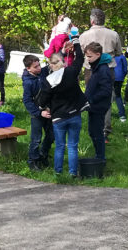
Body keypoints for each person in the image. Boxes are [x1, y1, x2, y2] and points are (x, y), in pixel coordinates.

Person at [39, 36, 87, 177]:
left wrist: (43, 108)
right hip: (74, 114)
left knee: (59, 146)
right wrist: (76, 43)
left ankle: (58, 172)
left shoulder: (49, 80)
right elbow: (79, 60)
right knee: (72, 146)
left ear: (51, 65)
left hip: (58, 117)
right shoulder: (71, 73)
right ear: (62, 62)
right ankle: (72, 173)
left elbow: (43, 100)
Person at [79, 8, 122, 143]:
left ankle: (94, 126)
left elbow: (80, 53)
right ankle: (104, 130)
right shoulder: (113, 34)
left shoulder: (84, 35)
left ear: (92, 20)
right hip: (108, 69)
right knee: (107, 96)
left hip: (90, 70)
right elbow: (119, 52)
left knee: (91, 95)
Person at [21, 54, 53, 171]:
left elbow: (52, 64)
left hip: (48, 111)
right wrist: (39, 113)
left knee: (51, 135)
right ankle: (32, 160)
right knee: (36, 139)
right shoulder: (28, 82)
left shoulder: (42, 73)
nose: (39, 68)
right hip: (37, 114)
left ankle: (43, 155)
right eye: (35, 67)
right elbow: (27, 101)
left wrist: (63, 51)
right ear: (28, 68)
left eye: (39, 65)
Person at [84, 42, 113, 161]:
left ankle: (100, 158)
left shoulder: (103, 70)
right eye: (86, 56)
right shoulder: (96, 66)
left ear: (98, 54)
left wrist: (91, 100)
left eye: (89, 56)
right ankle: (99, 156)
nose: (87, 59)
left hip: (98, 106)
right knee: (92, 131)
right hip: (93, 105)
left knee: (96, 133)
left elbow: (106, 91)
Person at [113, 52, 128, 122]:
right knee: (118, 95)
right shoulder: (122, 57)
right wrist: (122, 76)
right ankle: (122, 115)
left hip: (109, 77)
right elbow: (125, 69)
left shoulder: (108, 56)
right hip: (119, 78)